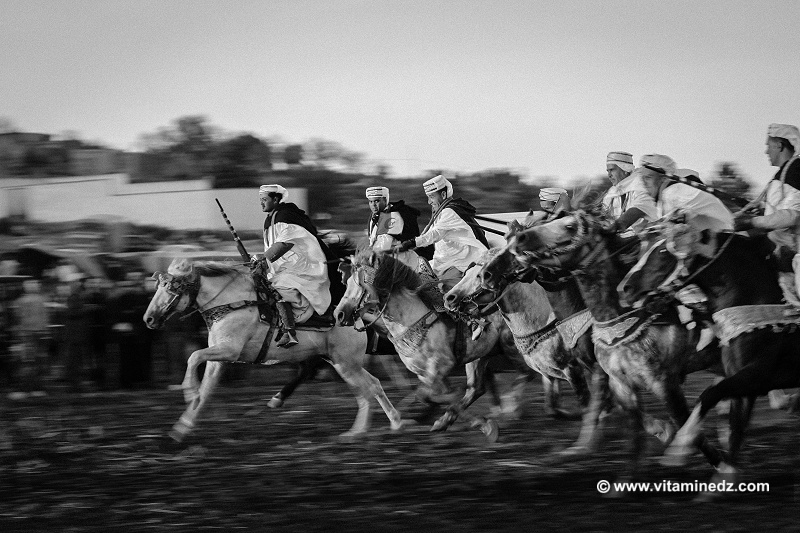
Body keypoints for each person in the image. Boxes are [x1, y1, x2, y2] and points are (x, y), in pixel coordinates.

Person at [252, 184, 331, 348]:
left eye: (264, 200)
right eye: (260, 200)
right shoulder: (272, 218)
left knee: (278, 286)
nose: (261, 203)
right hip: (288, 265)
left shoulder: (286, 216)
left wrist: (262, 260)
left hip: (305, 267)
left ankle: (290, 332)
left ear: (275, 199)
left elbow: (283, 245)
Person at [734, 123, 800, 300]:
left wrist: (751, 222)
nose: (765, 151)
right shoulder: (786, 172)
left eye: (768, 145)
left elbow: (792, 215)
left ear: (779, 145)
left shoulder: (796, 169)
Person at [392, 174, 489, 291]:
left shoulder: (449, 211)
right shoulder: (443, 211)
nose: (429, 202)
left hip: (460, 263)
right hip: (445, 262)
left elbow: (434, 234)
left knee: (440, 288)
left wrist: (410, 243)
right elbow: (427, 234)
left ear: (443, 195)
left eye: (431, 197)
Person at [639, 154, 734, 232]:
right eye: (642, 178)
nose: (643, 183)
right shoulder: (663, 200)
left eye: (648, 177)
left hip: (732, 245)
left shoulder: (674, 192)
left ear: (663, 178)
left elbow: (672, 223)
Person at [365, 186, 423, 269]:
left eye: (377, 201)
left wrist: (369, 255)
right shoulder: (374, 216)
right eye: (370, 201)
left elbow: (384, 245)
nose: (373, 205)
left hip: (401, 263)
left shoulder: (392, 216)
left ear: (385, 200)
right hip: (385, 262)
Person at [602, 151, 658, 231]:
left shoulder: (642, 185)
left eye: (612, 170)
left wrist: (611, 229)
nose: (609, 175)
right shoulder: (611, 193)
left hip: (648, 238)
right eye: (608, 171)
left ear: (625, 169)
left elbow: (633, 214)